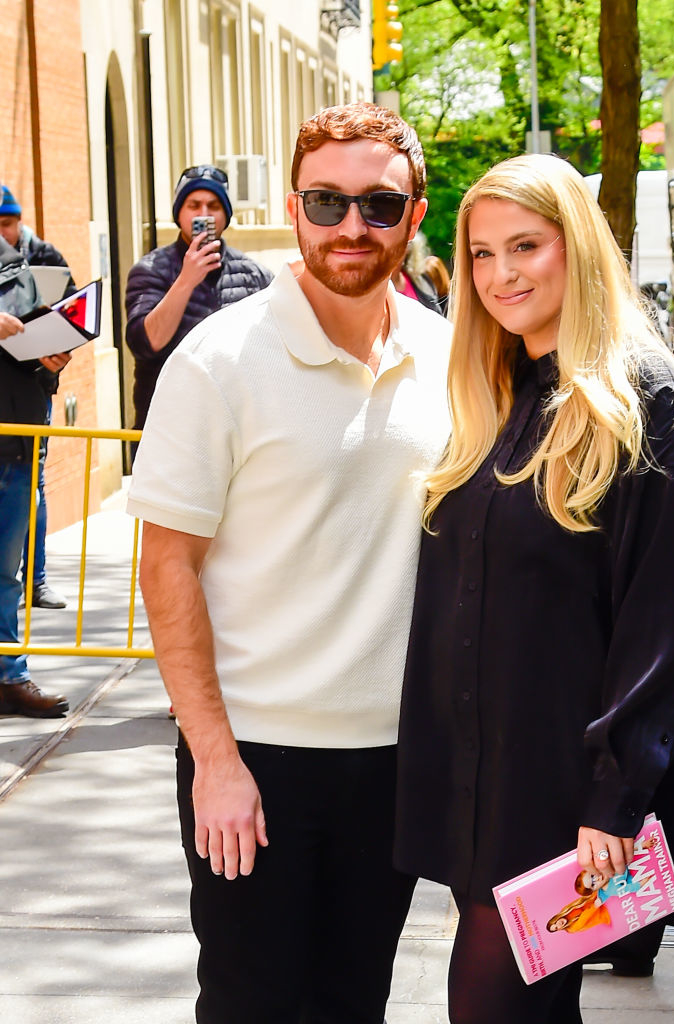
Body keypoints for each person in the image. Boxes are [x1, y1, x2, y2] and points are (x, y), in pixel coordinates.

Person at [126, 103, 452, 1023]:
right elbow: (167, 568)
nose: (353, 226)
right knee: (251, 1004)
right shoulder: (217, 361)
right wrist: (216, 762)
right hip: (257, 760)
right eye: (327, 201)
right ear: (293, 207)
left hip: (395, 762)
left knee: (355, 1003)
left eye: (379, 205)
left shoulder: (450, 351)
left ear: (415, 213)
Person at [392, 153, 674, 1023]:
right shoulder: (499, 394)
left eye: (526, 247)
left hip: (570, 795)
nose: (501, 274)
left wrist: (616, 801)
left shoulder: (645, 404)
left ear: (575, 248)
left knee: (494, 1006)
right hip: (488, 780)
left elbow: (663, 627)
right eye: (480, 253)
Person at [124, 164, 272, 434]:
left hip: (234, 428)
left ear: (225, 216)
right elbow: (146, 343)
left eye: (213, 206)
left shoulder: (253, 274)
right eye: (194, 205)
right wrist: (186, 280)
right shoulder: (150, 269)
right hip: (168, 428)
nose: (203, 214)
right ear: (179, 214)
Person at [0, 236, 70, 717]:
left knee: (5, 576)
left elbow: (32, 353)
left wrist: (53, 361)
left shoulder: (13, 266)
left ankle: (9, 677)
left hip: (16, 448)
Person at [0, 182, 75, 610]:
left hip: (35, 391)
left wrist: (61, 350)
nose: (3, 233)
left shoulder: (45, 256)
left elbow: (75, 315)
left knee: (34, 486)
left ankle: (38, 578)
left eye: (8, 223)